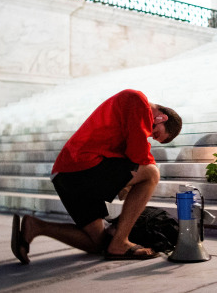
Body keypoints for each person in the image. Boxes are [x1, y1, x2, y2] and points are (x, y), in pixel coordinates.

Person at [10, 89, 182, 263]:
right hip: (81, 166)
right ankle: (120, 242)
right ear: (162, 118)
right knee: (152, 173)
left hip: (67, 174)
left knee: (96, 242)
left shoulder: (131, 116)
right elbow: (138, 154)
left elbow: (131, 153)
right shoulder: (137, 100)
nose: (150, 136)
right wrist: (133, 179)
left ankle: (35, 226)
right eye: (156, 133)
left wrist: (128, 182)